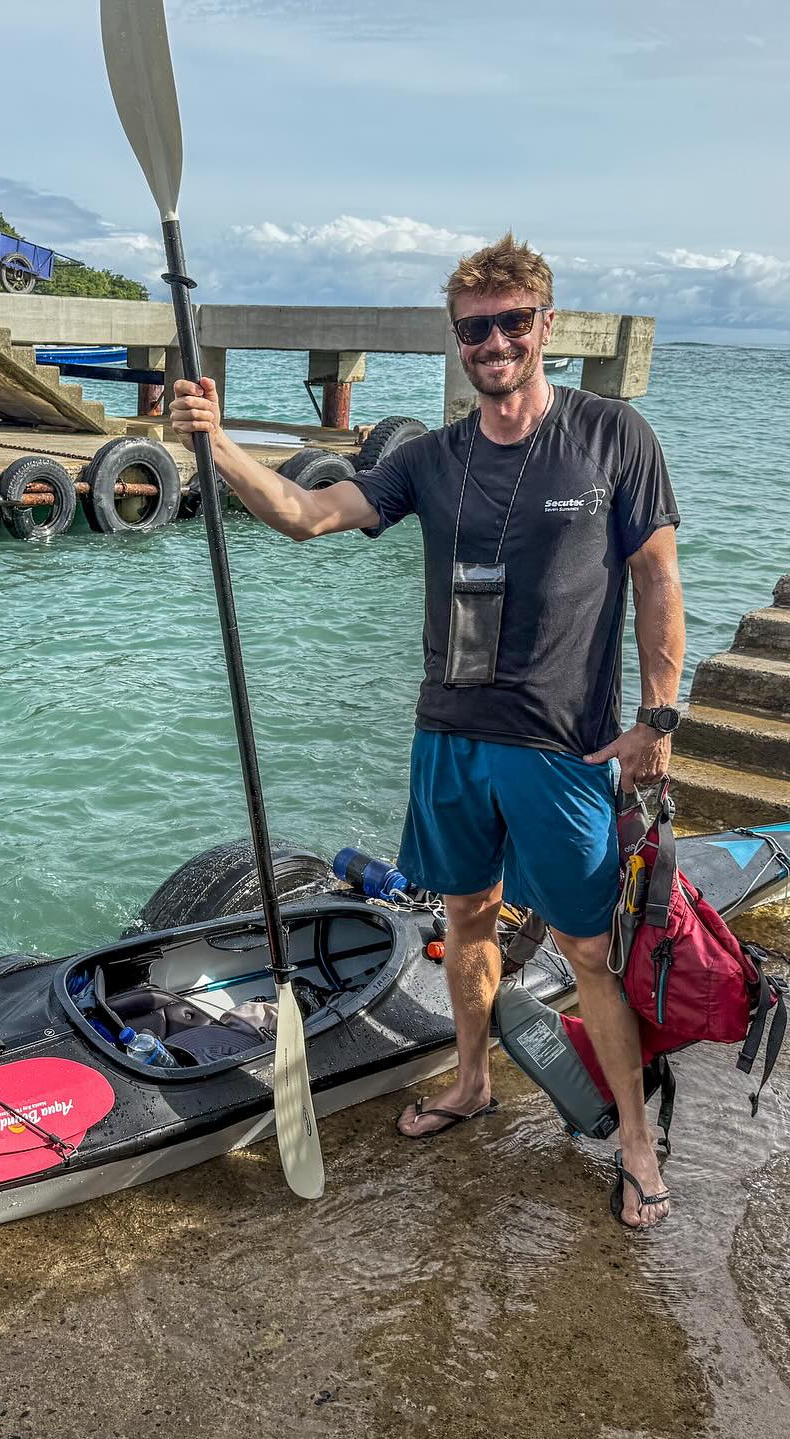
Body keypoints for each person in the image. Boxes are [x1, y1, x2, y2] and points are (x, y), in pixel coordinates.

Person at [168, 233, 684, 1229]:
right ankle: (473, 1081)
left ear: (545, 325)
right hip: (449, 735)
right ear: (456, 342)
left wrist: (657, 719)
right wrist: (219, 444)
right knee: (464, 921)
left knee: (587, 951)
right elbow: (308, 512)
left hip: (562, 746)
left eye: (510, 323)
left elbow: (657, 579)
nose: (492, 341)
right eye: (472, 329)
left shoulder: (614, 436)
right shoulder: (432, 460)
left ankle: (636, 1139)